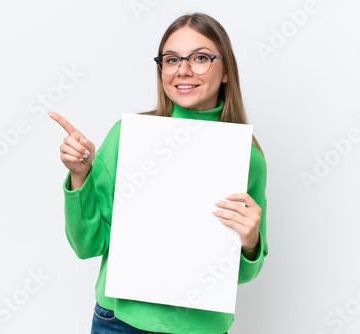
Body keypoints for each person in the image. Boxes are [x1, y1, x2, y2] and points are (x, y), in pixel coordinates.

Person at [49, 12, 268, 334]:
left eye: (201, 58)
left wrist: (250, 242)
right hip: (119, 322)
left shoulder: (247, 156)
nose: (183, 70)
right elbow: (87, 246)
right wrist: (80, 176)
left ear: (225, 71)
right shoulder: (127, 136)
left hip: (200, 327)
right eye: (171, 59)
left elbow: (242, 275)